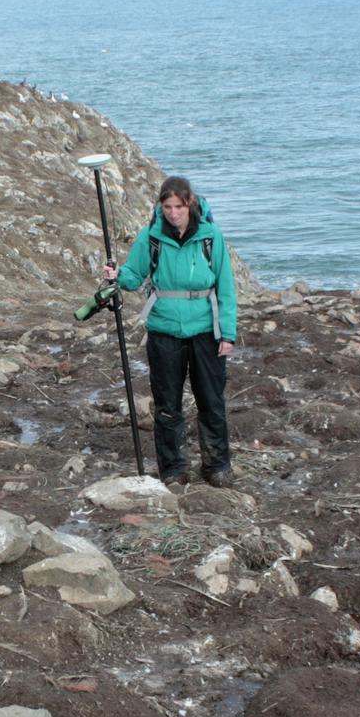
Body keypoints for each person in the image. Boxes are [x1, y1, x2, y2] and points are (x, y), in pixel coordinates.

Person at [101, 175, 239, 488]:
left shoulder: (210, 236)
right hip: (163, 330)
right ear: (161, 206)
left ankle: (217, 465)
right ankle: (174, 470)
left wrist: (227, 334)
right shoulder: (151, 237)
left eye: (179, 206)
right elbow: (134, 277)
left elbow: (226, 288)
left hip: (206, 329)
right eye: (167, 207)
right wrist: (117, 275)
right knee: (167, 404)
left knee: (211, 401)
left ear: (190, 204)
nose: (173, 213)